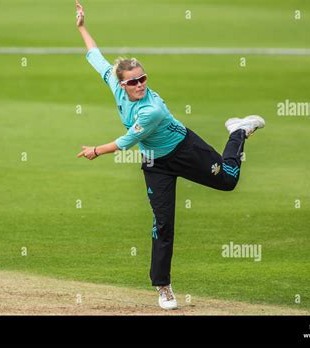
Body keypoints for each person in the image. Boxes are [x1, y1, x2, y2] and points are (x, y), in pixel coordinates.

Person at [74, 0, 265, 310]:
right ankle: (163, 287)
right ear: (121, 83)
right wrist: (82, 28)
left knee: (229, 180)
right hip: (154, 163)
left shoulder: (152, 109)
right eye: (133, 81)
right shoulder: (114, 81)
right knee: (163, 223)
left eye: (143, 79)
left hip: (184, 150)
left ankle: (238, 132)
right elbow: (96, 57)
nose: (139, 85)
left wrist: (95, 150)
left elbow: (124, 142)